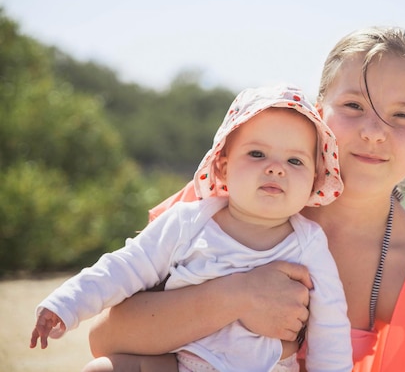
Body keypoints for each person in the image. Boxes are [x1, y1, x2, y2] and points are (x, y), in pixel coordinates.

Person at [88, 26, 405, 371]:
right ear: (318, 112)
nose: (374, 131)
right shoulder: (227, 199)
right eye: (354, 106)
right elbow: (106, 341)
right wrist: (236, 297)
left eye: (402, 116)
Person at [30, 85, 352, 372]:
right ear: (223, 168)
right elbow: (125, 265)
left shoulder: (308, 245)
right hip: (179, 360)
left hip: (264, 365)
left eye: (295, 161)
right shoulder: (188, 222)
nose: (275, 168)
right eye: (257, 153)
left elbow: (330, 328)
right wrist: (66, 304)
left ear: (314, 180)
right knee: (100, 369)